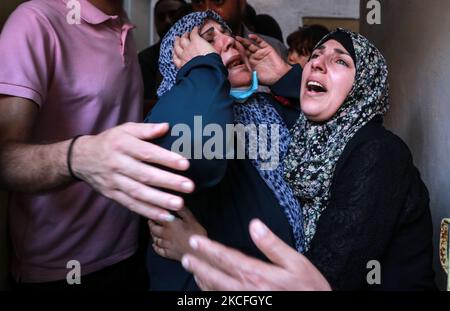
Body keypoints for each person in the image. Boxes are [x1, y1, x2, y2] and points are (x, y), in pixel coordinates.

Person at [181, 28, 436, 290]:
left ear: (364, 87)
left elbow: (324, 279)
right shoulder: (307, 139)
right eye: (315, 55)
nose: (317, 63)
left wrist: (198, 246)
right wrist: (284, 76)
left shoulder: (379, 153)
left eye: (340, 61)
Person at [0, 0, 195, 290]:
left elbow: (108, 111)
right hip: (61, 267)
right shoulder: (34, 22)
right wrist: (78, 157)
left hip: (131, 249)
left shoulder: (122, 25)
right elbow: (5, 158)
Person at [143, 10, 302, 291]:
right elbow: (198, 151)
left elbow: (338, 133)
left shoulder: (271, 108)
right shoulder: (167, 120)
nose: (228, 41)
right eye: (208, 39)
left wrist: (284, 78)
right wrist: (204, 68)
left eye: (228, 32)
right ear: (181, 63)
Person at [139, 0, 191, 114]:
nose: (167, 21)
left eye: (173, 15)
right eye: (161, 17)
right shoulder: (144, 59)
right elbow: (141, 105)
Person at [190, 0, 288, 60]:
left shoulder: (275, 50)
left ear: (241, 2)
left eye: (218, 0)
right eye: (198, 2)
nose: (207, 10)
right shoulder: (187, 58)